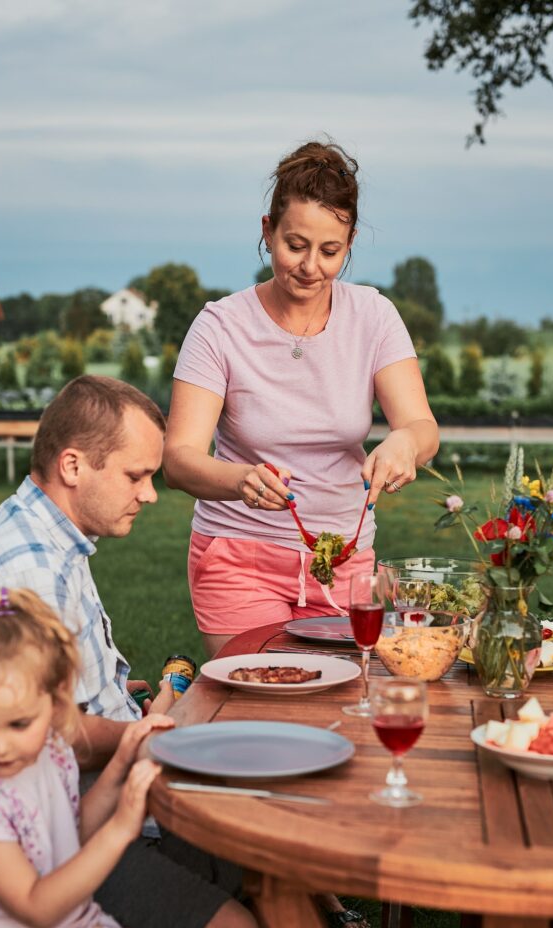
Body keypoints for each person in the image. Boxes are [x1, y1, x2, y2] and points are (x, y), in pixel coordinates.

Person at [0, 375, 287, 928]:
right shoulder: (27, 572)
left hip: (74, 800)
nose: (150, 494)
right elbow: (54, 732)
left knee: (271, 853)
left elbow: (62, 699)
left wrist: (120, 699)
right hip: (43, 829)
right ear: (73, 465)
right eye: (136, 476)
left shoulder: (48, 537)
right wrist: (163, 735)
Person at [0, 587, 291, 928]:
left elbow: (70, 839)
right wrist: (121, 827)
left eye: (19, 724)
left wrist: (119, 766)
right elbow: (36, 905)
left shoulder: (48, 750)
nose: (0, 745)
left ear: (57, 703)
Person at [163, 139, 439, 660]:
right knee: (266, 705)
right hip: (238, 558)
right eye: (295, 245)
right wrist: (238, 480)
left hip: (345, 564)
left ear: (350, 242)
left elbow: (423, 428)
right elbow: (178, 461)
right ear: (267, 231)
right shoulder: (219, 327)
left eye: (330, 251)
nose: (310, 266)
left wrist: (405, 443)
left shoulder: (375, 317)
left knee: (337, 709)